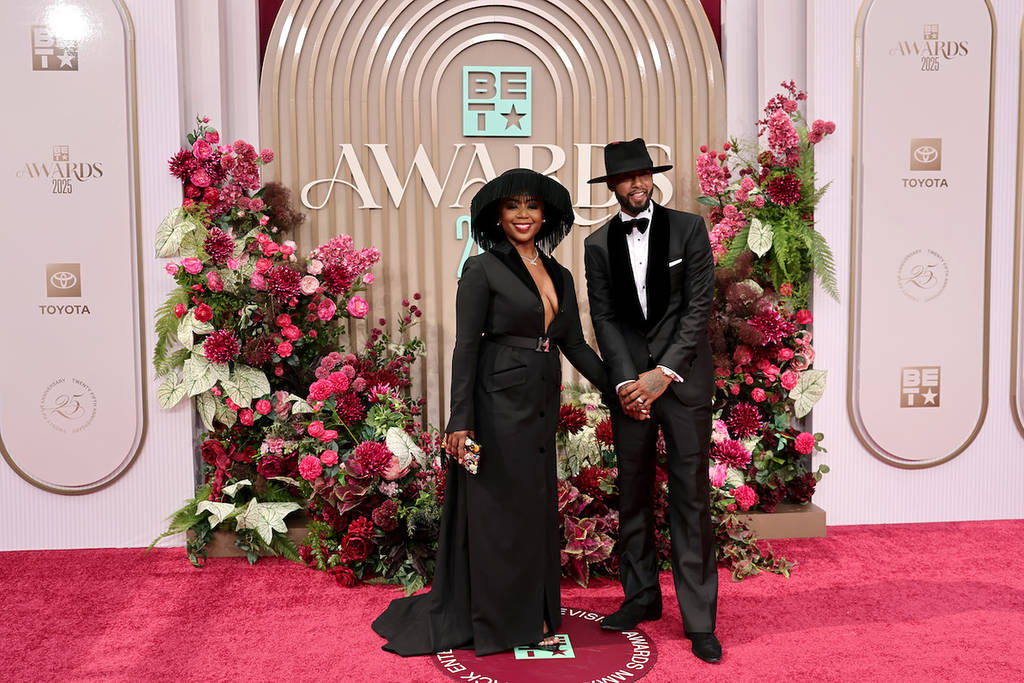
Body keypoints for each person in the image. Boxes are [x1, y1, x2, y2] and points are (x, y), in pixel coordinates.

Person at [373, 168, 612, 656]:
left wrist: (620, 386)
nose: (523, 214)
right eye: (512, 206)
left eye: (532, 206)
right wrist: (460, 419)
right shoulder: (481, 269)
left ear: (545, 215)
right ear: (498, 217)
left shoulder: (560, 274)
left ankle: (533, 610)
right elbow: (466, 347)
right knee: (499, 512)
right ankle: (501, 621)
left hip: (540, 402)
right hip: (496, 405)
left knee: (533, 510)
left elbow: (573, 343)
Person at [583, 138, 721, 663]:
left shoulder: (689, 229)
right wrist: (625, 383)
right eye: (626, 177)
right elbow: (604, 319)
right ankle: (641, 597)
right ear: (613, 186)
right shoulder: (597, 245)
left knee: (690, 497)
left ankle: (699, 620)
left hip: (682, 384)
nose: (637, 184)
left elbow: (698, 308)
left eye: (643, 174)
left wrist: (663, 374)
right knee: (633, 493)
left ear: (652, 179)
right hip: (631, 393)